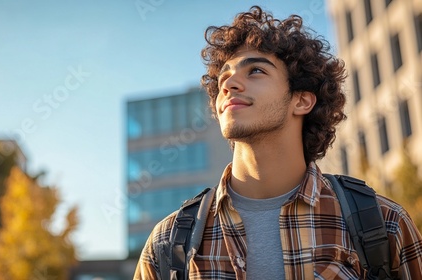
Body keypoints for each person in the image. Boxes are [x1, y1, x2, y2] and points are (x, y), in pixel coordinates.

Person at [134, 5, 422, 279]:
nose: (228, 84)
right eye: (224, 78)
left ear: (302, 100)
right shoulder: (168, 241)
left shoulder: (383, 223)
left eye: (255, 71)